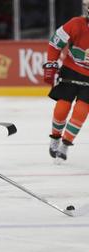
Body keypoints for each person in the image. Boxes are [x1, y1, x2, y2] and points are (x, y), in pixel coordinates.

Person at [43, 1, 89, 164]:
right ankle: (55, 137)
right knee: (63, 106)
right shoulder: (76, 24)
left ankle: (65, 145)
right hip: (71, 70)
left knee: (81, 111)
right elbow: (55, 43)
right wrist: (51, 63)